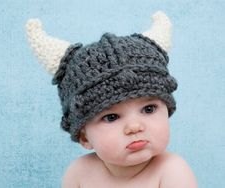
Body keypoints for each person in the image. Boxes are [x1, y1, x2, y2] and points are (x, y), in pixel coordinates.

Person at [26, 11, 198, 188]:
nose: (134, 127)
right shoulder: (79, 173)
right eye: (111, 117)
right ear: (84, 136)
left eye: (149, 109)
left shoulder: (171, 171)